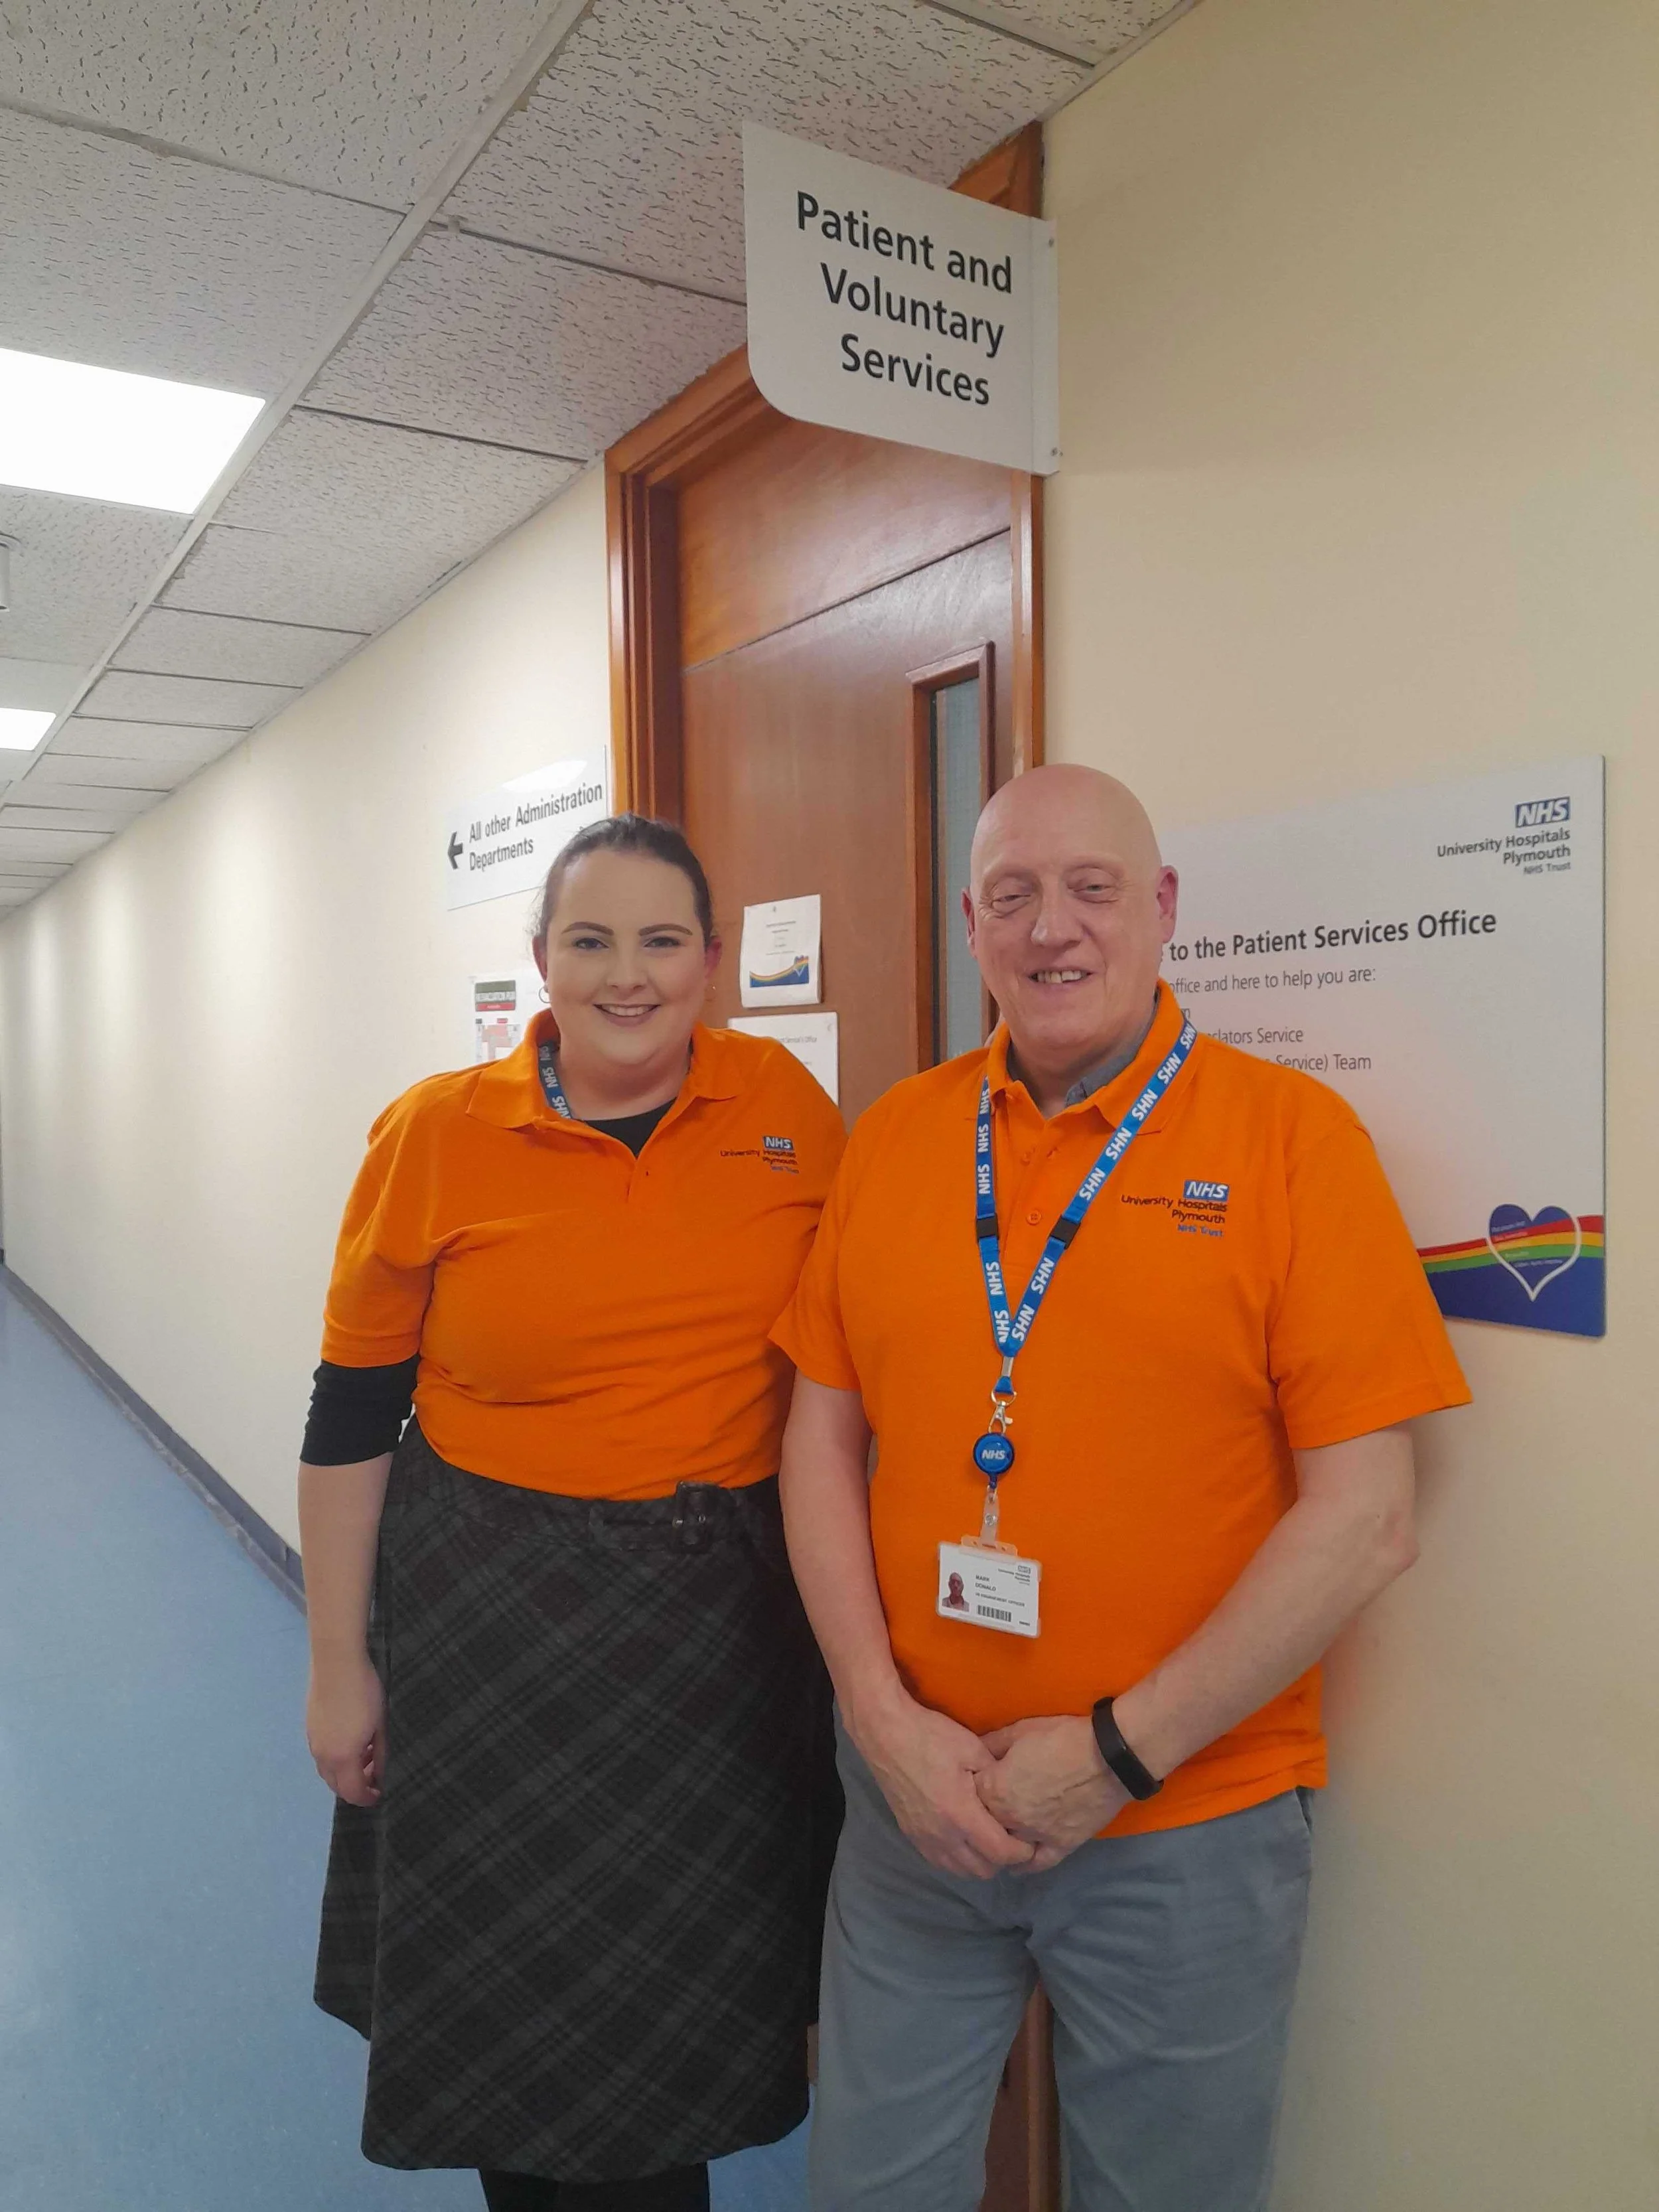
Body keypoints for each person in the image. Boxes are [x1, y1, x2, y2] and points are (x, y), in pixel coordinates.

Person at [773, 764, 1471, 2211]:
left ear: (1159, 911)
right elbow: (815, 1440)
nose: (1050, 928)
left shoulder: (1290, 1144)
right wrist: (879, 1718)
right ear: (970, 925)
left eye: (1090, 887)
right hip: (916, 1807)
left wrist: (1112, 1754)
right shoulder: (899, 1138)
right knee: (861, 2186)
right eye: (1011, 896)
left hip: (1183, 1825)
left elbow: (1365, 1519)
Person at [298, 814, 845, 2212]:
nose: (627, 974)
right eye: (589, 941)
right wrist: (337, 1665)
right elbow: (353, 1416)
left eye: (661, 940)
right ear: (540, 960)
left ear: (712, 960)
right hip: (490, 1623)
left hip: (719, 1633)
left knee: (677, 2013)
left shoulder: (787, 1110)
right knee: (514, 2014)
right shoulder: (434, 1134)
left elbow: (851, 1364)